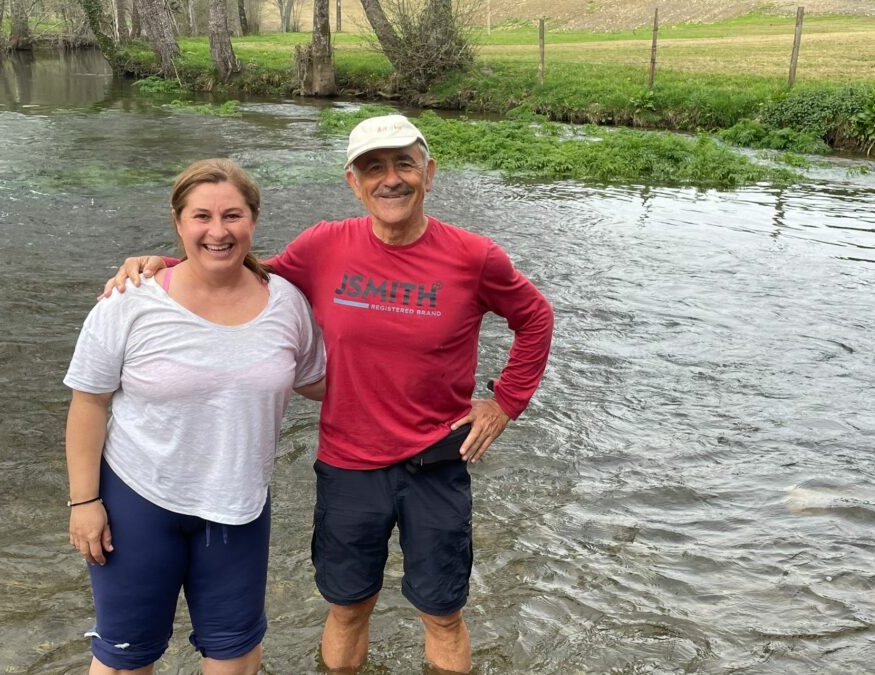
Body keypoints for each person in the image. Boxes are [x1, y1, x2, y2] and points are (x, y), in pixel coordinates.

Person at [104, 115, 554, 673]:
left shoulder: (473, 257)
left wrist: (505, 402)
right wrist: (165, 265)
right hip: (349, 464)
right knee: (346, 608)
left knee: (442, 614)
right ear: (353, 181)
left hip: (438, 462)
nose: (390, 179)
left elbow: (535, 317)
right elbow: (249, 275)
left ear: (429, 174)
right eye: (373, 168)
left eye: (404, 164)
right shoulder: (324, 245)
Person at [66, 158, 326, 675]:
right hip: (137, 501)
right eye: (201, 216)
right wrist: (84, 501)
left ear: (253, 219)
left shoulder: (288, 304)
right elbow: (88, 404)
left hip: (239, 506)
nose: (218, 231)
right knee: (124, 656)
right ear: (178, 222)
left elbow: (322, 384)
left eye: (233, 215)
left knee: (234, 654)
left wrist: (418, 371)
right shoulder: (128, 301)